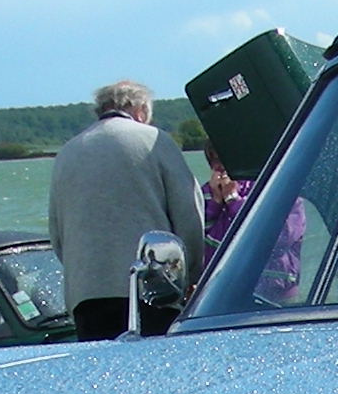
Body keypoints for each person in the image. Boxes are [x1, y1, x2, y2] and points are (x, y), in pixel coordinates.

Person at [46, 80, 205, 340]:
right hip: (150, 289)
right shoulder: (155, 141)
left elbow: (57, 232)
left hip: (87, 294)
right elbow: (189, 213)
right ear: (141, 111)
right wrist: (189, 275)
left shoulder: (68, 151)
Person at [200, 149, 253, 250]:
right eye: (216, 160)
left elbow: (253, 224)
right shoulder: (205, 192)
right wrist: (216, 201)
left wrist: (232, 198)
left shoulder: (254, 187)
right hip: (214, 256)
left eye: (228, 159)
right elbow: (198, 231)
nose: (222, 165)